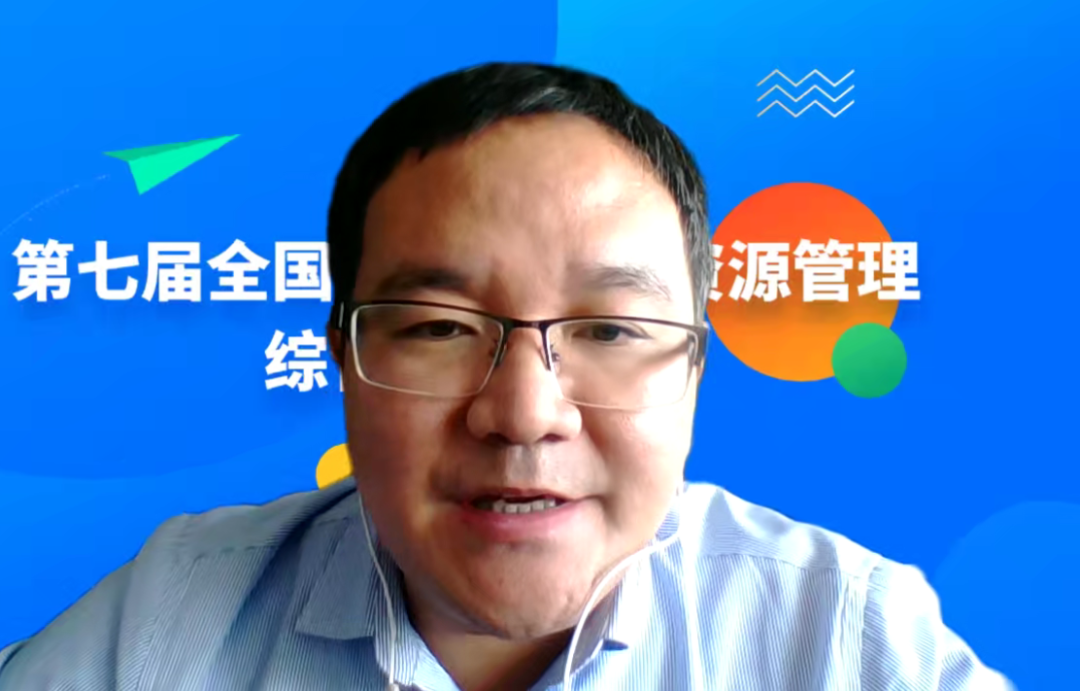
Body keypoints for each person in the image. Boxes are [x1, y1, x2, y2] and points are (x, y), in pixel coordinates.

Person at [0, 62, 1012, 691]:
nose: (524, 412)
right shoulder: (171, 622)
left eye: (609, 328)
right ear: (344, 359)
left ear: (696, 367)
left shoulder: (842, 634)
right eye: (441, 327)